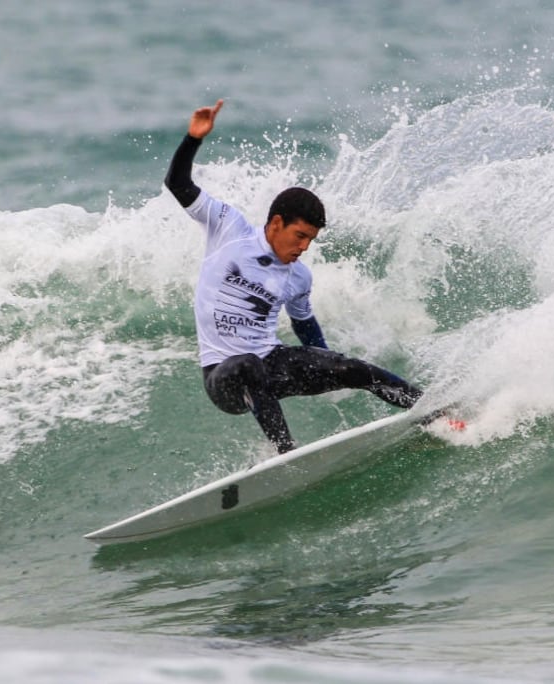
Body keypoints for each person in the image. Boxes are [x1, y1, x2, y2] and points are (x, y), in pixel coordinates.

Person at [164, 99, 423, 453]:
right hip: (223, 376)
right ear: (275, 223)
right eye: (299, 236)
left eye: (310, 240)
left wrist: (331, 365)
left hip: (271, 363)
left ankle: (429, 409)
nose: (303, 247)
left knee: (354, 368)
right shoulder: (228, 228)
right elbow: (177, 183)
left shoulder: (298, 277)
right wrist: (193, 139)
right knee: (248, 365)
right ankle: (285, 453)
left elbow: (305, 327)